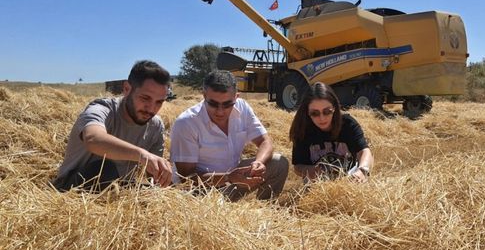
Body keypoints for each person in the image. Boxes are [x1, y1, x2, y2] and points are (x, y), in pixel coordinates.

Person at [53, 60, 173, 191]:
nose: (151, 108)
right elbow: (93, 139)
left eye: (159, 102)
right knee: (105, 169)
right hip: (73, 191)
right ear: (127, 89)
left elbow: (153, 176)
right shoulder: (102, 109)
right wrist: (142, 155)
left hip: (121, 190)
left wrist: (160, 174)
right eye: (145, 98)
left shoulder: (155, 125)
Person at [170, 70, 288, 201]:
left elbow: (265, 141)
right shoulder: (186, 123)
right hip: (201, 192)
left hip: (233, 178)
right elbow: (186, 178)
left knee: (279, 163)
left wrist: (259, 163)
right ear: (204, 96)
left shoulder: (242, 107)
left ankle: (266, 213)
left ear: (236, 97)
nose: (220, 112)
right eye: (213, 104)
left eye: (227, 104)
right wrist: (227, 177)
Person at [290, 82, 373, 183]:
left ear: (334, 108)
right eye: (314, 113)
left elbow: (364, 151)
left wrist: (362, 171)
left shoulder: (348, 124)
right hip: (318, 185)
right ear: (307, 112)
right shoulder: (302, 129)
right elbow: (298, 166)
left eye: (327, 111)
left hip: (349, 181)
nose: (322, 118)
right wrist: (309, 171)